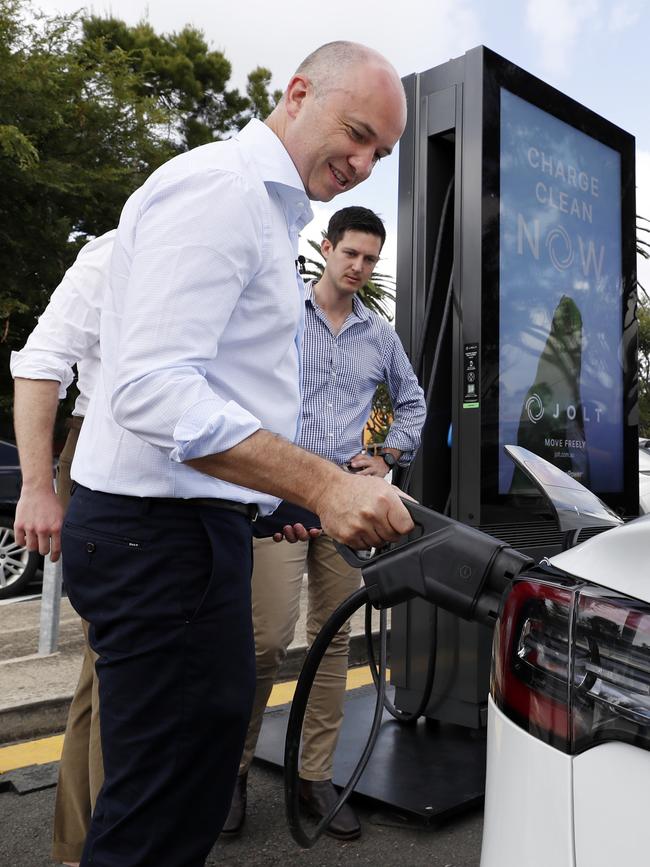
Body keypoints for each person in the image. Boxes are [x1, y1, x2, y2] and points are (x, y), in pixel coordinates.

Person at [56, 41, 411, 867]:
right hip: (159, 543)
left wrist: (273, 500)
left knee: (178, 792)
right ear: (296, 93)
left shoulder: (268, 213)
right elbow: (149, 389)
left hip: (192, 530)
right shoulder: (222, 190)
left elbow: (224, 388)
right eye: (356, 132)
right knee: (156, 813)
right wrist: (321, 484)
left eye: (380, 154)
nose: (362, 162)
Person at [223, 206, 426, 840]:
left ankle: (313, 776)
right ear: (326, 247)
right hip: (279, 499)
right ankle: (229, 772)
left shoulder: (379, 335)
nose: (360, 268)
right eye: (351, 254)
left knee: (334, 640)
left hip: (348, 503)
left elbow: (413, 402)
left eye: (371, 259)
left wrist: (388, 453)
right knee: (263, 641)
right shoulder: (282, 314)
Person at [11, 231, 113, 866]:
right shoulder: (114, 253)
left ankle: (79, 845)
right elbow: (41, 360)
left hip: (171, 477)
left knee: (101, 667)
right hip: (106, 462)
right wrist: (36, 486)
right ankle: (107, 845)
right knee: (118, 668)